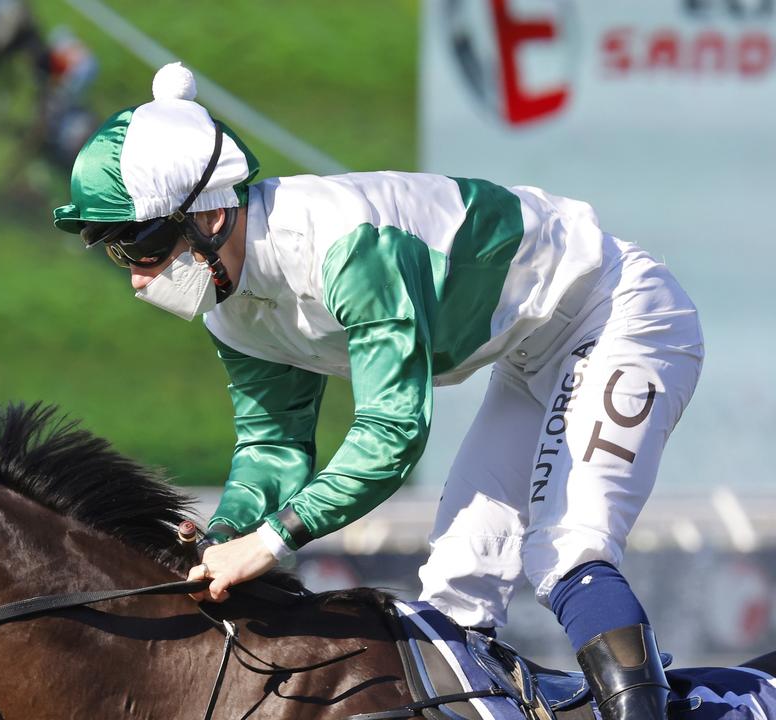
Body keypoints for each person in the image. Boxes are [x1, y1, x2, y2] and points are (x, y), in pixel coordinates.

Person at [51, 62, 704, 720]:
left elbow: (394, 434)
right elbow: (273, 445)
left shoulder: (346, 247)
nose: (139, 280)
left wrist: (272, 539)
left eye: (142, 245)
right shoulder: (230, 305)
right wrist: (223, 532)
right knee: (455, 595)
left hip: (619, 312)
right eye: (119, 251)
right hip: (530, 354)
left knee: (567, 551)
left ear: (212, 213)